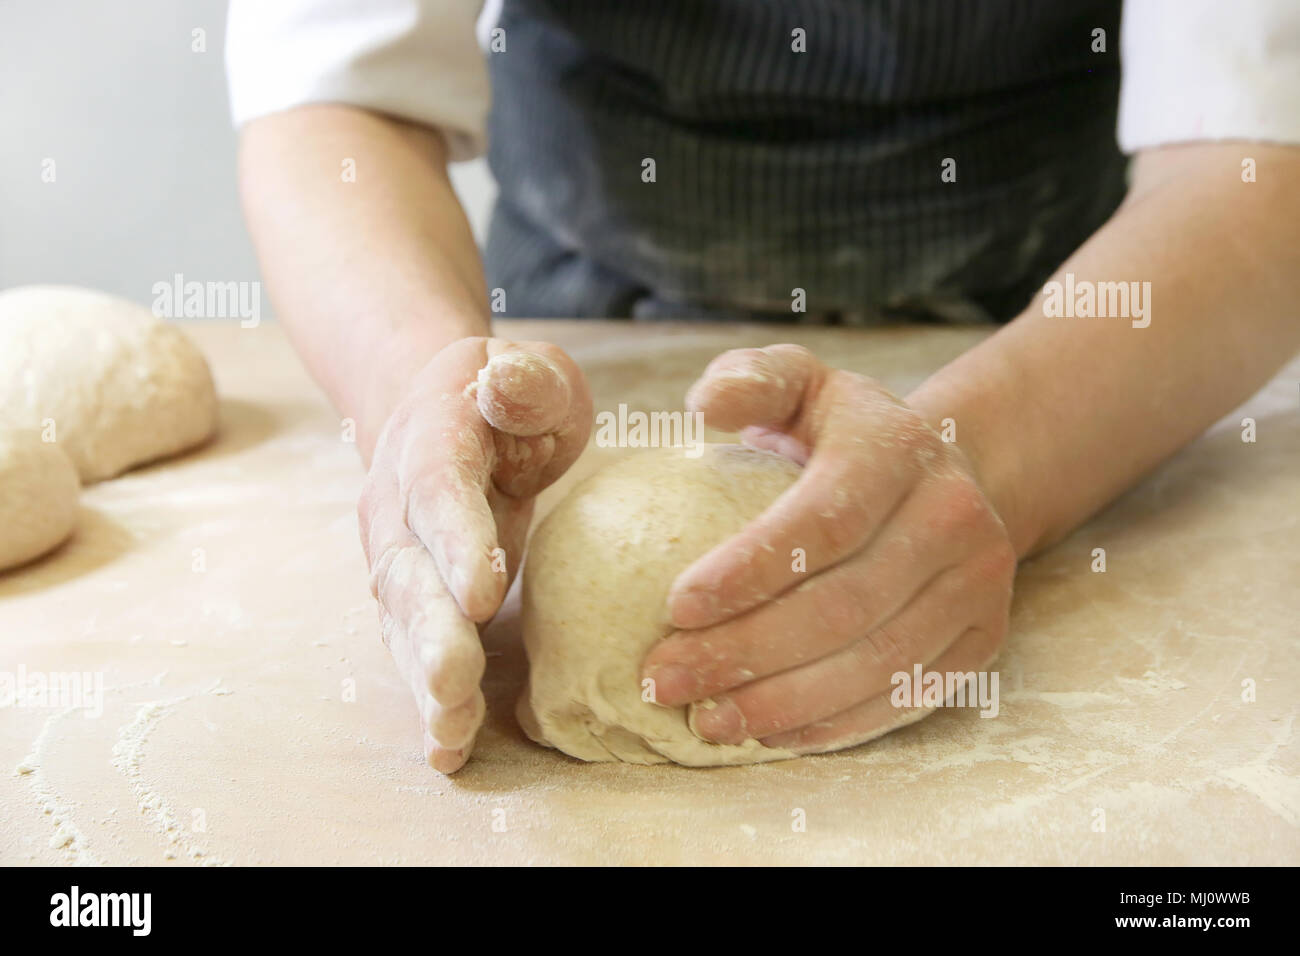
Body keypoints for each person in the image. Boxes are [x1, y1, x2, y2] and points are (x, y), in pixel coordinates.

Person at [226, 1, 1300, 772]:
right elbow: (335, 100)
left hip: (1066, 317)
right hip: (584, 287)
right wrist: (423, 379)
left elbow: (1251, 164)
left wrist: (992, 456)